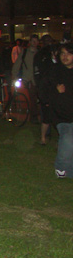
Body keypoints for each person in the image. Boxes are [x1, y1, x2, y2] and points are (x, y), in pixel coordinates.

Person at [43, 43, 73, 178]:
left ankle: (69, 170)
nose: (65, 57)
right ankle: (60, 167)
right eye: (62, 54)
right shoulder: (55, 72)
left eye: (68, 54)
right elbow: (44, 93)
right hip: (61, 114)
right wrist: (56, 90)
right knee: (67, 138)